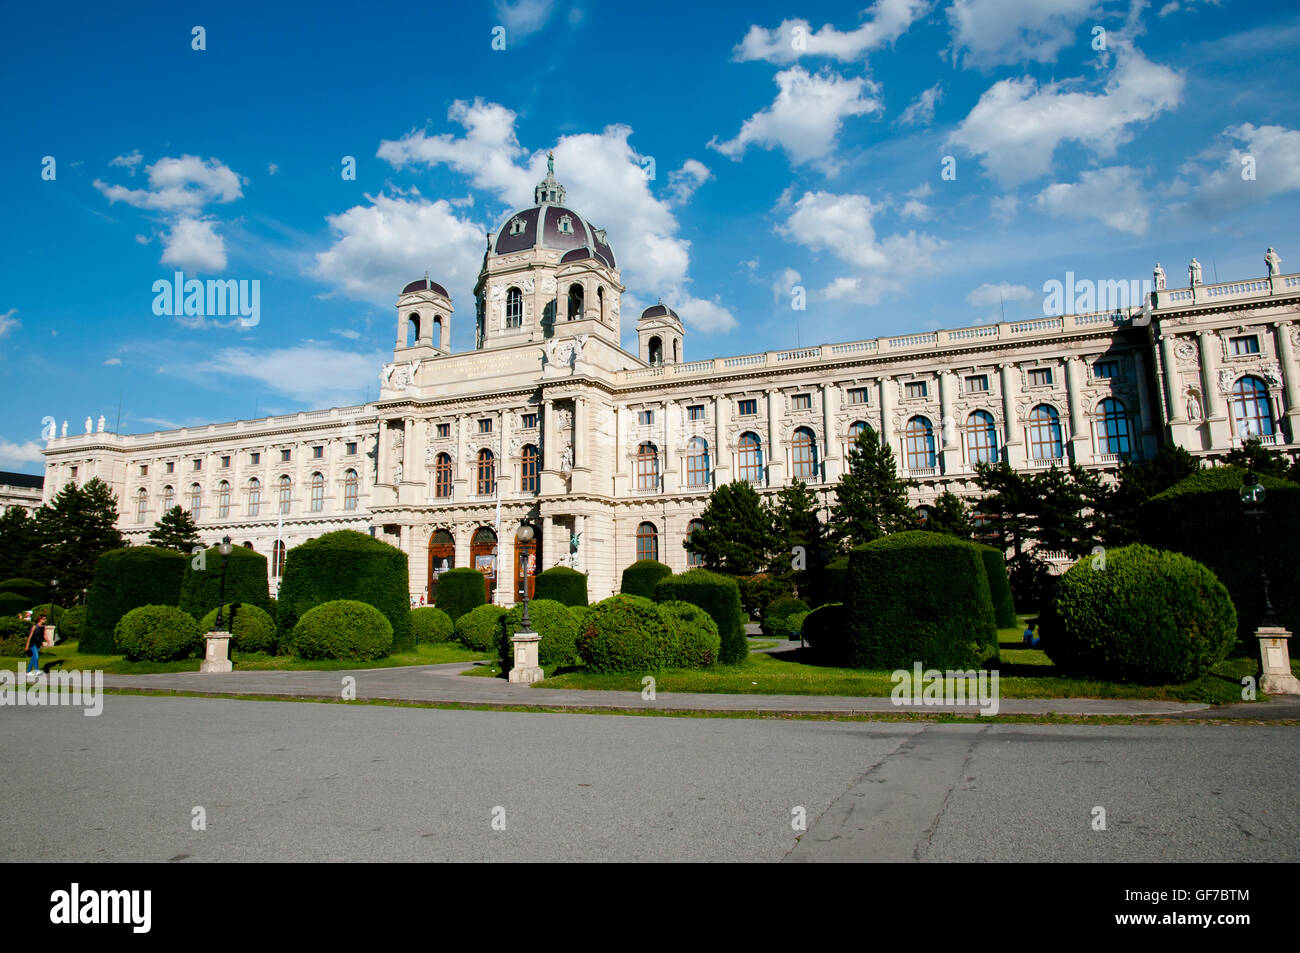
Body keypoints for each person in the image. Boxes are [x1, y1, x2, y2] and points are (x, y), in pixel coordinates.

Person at [25, 614, 46, 679]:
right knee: (36, 656)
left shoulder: (43, 627)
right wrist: (27, 646)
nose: (45, 620)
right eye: (44, 619)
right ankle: (36, 670)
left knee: (33, 657)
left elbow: (42, 635)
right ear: (40, 619)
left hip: (38, 644)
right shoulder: (34, 627)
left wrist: (44, 642)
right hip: (33, 643)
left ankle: (28, 672)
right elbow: (30, 636)